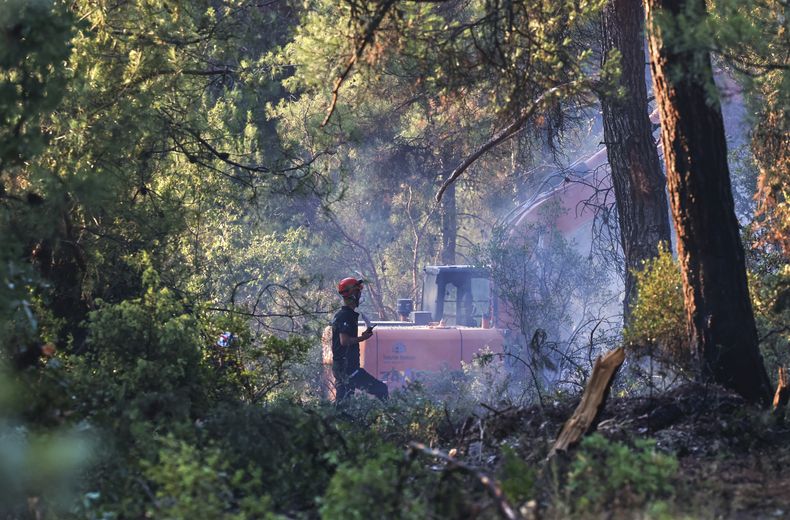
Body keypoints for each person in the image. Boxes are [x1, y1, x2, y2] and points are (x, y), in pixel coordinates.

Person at [331, 277, 388, 402]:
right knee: (381, 389)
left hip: (345, 368)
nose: (360, 295)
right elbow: (344, 341)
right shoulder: (345, 315)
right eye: (358, 292)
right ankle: (388, 419)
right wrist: (363, 337)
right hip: (348, 369)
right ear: (352, 294)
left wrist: (362, 335)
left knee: (344, 405)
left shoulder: (345, 314)